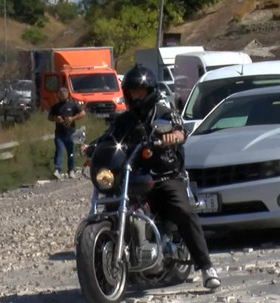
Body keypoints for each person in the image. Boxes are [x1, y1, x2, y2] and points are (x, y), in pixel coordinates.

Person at [87, 64, 221, 290]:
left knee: (183, 211)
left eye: (140, 91)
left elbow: (179, 130)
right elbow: (109, 138)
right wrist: (92, 147)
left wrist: (171, 137)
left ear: (149, 92)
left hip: (164, 174)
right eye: (132, 91)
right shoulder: (124, 120)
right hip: (134, 175)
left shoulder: (163, 112)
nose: (136, 96)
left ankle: (206, 267)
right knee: (110, 206)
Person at [48, 87, 85, 179]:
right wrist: (56, 118)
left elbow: (82, 113)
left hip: (71, 133)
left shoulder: (73, 105)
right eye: (60, 95)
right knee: (59, 150)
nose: (62, 96)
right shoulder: (56, 107)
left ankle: (71, 170)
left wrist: (72, 118)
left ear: (67, 95)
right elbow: (49, 117)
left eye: (63, 94)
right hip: (59, 133)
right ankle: (57, 169)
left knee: (71, 153)